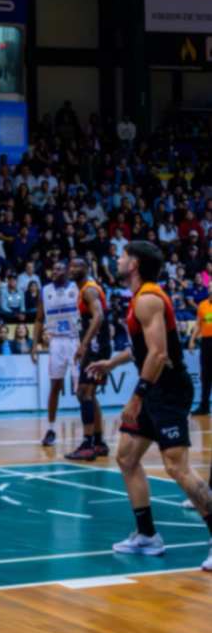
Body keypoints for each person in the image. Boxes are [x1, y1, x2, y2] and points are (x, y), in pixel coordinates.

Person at [86, 242, 212, 572]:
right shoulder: (140, 298)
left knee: (177, 467)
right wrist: (112, 362)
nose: (118, 259)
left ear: (136, 263)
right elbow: (145, 349)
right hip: (155, 388)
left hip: (167, 390)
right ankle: (146, 536)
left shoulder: (148, 299)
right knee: (127, 457)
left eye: (123, 255)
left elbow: (158, 354)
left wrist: (136, 397)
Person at [31, 261, 80, 448]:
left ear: (67, 271)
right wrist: (34, 344)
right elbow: (38, 319)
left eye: (60, 268)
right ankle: (51, 429)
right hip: (56, 342)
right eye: (54, 268)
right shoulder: (45, 290)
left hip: (75, 339)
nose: (55, 271)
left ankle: (90, 433)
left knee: (82, 390)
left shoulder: (77, 288)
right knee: (55, 386)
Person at [68, 257, 112, 460]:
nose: (72, 269)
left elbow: (99, 317)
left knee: (84, 392)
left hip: (95, 348)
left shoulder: (89, 289)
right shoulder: (84, 290)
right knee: (89, 394)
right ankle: (99, 442)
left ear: (86, 269)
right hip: (96, 347)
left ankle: (88, 444)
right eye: (71, 266)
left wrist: (83, 345)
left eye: (77, 266)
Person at [189, 285, 212, 416]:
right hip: (206, 343)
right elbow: (198, 325)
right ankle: (204, 407)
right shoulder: (202, 305)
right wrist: (192, 340)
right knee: (206, 375)